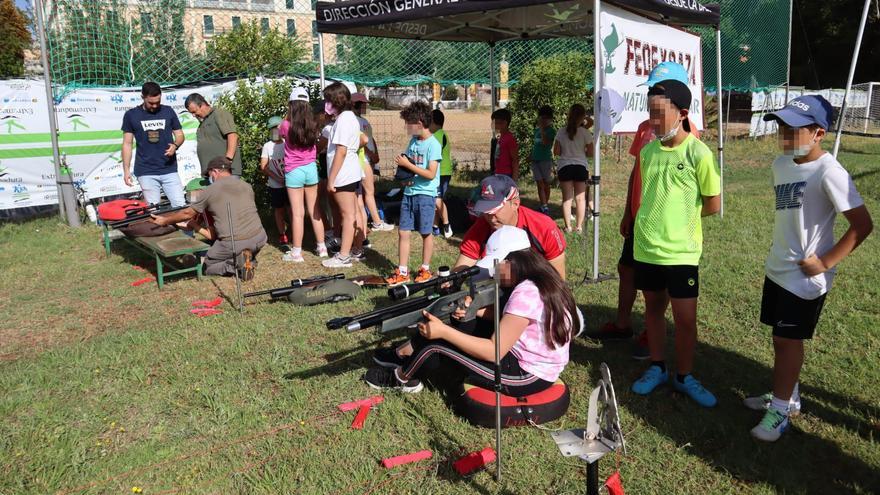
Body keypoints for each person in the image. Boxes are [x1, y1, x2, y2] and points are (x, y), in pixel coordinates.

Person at [744, 96, 872, 441]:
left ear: (818, 133)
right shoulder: (780, 164)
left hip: (805, 278)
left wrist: (824, 262)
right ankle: (789, 397)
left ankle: (780, 411)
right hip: (778, 268)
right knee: (780, 339)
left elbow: (862, 225)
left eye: (793, 129)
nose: (784, 134)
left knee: (787, 341)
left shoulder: (830, 171)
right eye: (781, 126)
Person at [364, 226, 576, 396]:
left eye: (496, 268)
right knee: (461, 323)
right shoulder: (543, 280)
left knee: (437, 345)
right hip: (531, 360)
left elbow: (494, 352)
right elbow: (516, 322)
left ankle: (401, 378)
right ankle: (407, 356)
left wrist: (444, 332)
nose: (494, 275)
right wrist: (478, 313)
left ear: (512, 262)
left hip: (528, 375)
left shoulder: (525, 293)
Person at [590, 61, 701, 362]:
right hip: (639, 219)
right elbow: (636, 171)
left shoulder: (690, 136)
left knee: (661, 283)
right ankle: (623, 324)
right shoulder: (644, 129)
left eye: (659, 91)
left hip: (665, 229)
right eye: (652, 91)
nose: (653, 96)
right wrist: (628, 211)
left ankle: (650, 334)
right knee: (627, 269)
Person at [629, 79, 721, 408]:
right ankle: (657, 367)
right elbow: (645, 195)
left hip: (681, 253)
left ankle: (685, 376)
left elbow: (712, 202)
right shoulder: (648, 151)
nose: (653, 121)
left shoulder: (699, 152)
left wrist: (682, 227)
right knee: (653, 310)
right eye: (649, 113)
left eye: (659, 114)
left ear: (681, 114)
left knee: (685, 319)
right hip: (647, 248)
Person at [151, 157, 267, 281]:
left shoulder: (211, 190)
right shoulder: (246, 185)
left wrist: (165, 220)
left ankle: (236, 266)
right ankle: (247, 259)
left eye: (209, 174)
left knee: (208, 266)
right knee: (233, 249)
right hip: (260, 238)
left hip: (234, 242)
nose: (209, 177)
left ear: (215, 172)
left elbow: (187, 213)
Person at [456, 175, 567, 279]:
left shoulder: (544, 227)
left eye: (495, 210)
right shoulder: (482, 224)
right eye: (486, 211)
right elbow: (463, 264)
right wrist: (451, 280)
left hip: (538, 285)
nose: (491, 218)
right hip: (501, 282)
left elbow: (558, 280)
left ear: (515, 204)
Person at [385, 101, 441, 286]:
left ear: (419, 122)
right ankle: (402, 272)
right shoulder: (413, 142)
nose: (406, 128)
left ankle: (425, 269)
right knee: (403, 232)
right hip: (409, 193)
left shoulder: (433, 144)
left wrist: (408, 165)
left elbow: (431, 173)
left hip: (425, 195)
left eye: (409, 123)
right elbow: (410, 169)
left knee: (426, 233)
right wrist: (405, 177)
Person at [279, 88, 328, 262]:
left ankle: (297, 252)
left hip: (293, 170)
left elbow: (281, 135)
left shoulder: (285, 125)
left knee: (298, 213)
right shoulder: (314, 124)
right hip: (310, 169)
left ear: (291, 105)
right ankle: (322, 247)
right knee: (315, 210)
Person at [322, 82, 366, 268]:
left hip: (343, 175)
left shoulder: (343, 120)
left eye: (328, 100)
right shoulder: (348, 118)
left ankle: (343, 256)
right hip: (349, 173)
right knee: (353, 213)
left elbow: (340, 151)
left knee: (348, 215)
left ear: (336, 100)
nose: (326, 103)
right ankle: (355, 249)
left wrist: (331, 179)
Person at [121, 82, 186, 207]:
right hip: (146, 171)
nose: (155, 105)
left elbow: (180, 135)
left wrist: (175, 145)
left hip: (169, 168)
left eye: (158, 101)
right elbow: (127, 144)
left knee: (180, 206)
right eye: (151, 103)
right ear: (143, 97)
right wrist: (126, 170)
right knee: (154, 209)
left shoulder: (168, 111)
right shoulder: (131, 115)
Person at [352, 92, 394, 232]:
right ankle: (377, 222)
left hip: (367, 159)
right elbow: (361, 141)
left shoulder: (363, 121)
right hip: (362, 159)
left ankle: (369, 220)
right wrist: (371, 154)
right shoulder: (354, 121)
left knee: (364, 192)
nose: (366, 107)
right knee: (368, 191)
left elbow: (371, 139)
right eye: (364, 104)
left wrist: (375, 154)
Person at [553, 104, 594, 233]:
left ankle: (568, 227)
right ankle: (579, 227)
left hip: (564, 166)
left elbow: (556, 151)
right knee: (581, 198)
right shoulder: (585, 132)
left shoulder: (561, 131)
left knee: (567, 199)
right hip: (581, 167)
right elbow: (591, 153)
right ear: (582, 117)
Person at [185, 93, 242, 177]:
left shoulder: (219, 114)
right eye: (191, 113)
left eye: (194, 111)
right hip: (213, 173)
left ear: (202, 105)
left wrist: (227, 160)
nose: (193, 115)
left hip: (225, 172)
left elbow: (232, 136)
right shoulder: (203, 122)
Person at [259, 116, 290, 245]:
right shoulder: (267, 146)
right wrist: (277, 178)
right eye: (271, 129)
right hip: (275, 185)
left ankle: (295, 231)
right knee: (279, 209)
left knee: (292, 209)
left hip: (290, 183)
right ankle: (282, 234)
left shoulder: (288, 143)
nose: (274, 131)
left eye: (276, 128)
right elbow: (263, 166)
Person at [430, 109, 454, 238]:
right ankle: (435, 227)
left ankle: (446, 224)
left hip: (441, 173)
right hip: (441, 172)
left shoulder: (438, 135)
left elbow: (434, 153)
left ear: (434, 122)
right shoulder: (439, 134)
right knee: (437, 200)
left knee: (437, 200)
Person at [532, 105, 556, 216]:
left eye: (546, 118)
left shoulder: (551, 131)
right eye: (542, 117)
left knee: (546, 184)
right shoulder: (536, 130)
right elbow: (535, 145)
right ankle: (544, 205)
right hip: (535, 160)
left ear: (550, 119)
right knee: (539, 183)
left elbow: (546, 142)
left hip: (545, 161)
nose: (544, 120)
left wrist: (542, 129)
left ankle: (545, 204)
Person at [491, 108, 519, 181]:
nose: (494, 125)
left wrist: (514, 181)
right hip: (498, 173)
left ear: (504, 123)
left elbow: (515, 160)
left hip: (506, 176)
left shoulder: (510, 138)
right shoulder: (500, 138)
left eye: (496, 122)